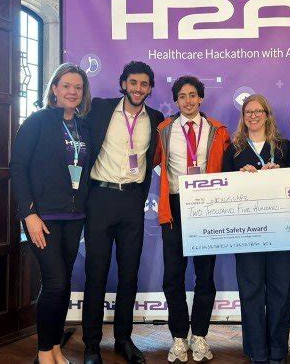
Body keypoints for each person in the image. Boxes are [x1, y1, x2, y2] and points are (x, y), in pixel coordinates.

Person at [82, 61, 164, 364]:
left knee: (129, 275)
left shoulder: (155, 119)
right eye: (133, 82)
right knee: (96, 274)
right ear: (123, 84)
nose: (138, 89)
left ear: (150, 89)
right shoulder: (100, 109)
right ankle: (91, 344)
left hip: (132, 202)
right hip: (99, 199)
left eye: (144, 84)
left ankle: (123, 339)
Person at [10, 63, 92, 364]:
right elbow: (18, 168)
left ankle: (56, 347)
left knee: (63, 283)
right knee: (55, 281)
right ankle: (44, 353)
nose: (72, 92)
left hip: (74, 217)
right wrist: (28, 214)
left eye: (78, 87)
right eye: (66, 86)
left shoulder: (83, 127)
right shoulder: (38, 121)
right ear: (54, 89)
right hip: (42, 218)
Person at [154, 76, 230, 363]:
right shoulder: (164, 129)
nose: (188, 101)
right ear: (176, 101)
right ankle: (178, 337)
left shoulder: (217, 130)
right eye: (182, 96)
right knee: (173, 276)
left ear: (201, 98)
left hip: (206, 205)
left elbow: (229, 166)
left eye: (193, 95)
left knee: (205, 275)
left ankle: (199, 335)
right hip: (174, 206)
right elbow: (150, 160)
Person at [222, 94, 290, 364]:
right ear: (243, 117)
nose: (253, 116)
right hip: (248, 233)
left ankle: (277, 351)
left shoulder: (285, 148)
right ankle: (257, 352)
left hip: (282, 232)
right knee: (251, 292)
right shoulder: (234, 150)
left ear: (267, 115)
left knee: (280, 291)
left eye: (258, 111)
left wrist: (281, 174)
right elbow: (224, 190)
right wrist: (239, 179)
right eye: (248, 112)